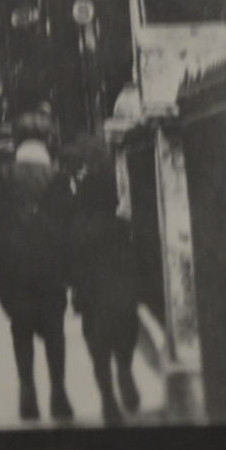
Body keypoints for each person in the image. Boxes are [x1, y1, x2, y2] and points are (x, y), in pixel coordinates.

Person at [0, 118, 73, 423]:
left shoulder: (5, 175)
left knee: (21, 327)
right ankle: (59, 393)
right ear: (46, 140)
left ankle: (28, 393)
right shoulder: (58, 176)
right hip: (51, 265)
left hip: (15, 265)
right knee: (54, 329)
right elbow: (69, 225)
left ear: (17, 140)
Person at [71, 149, 147, 424]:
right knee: (125, 341)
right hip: (121, 297)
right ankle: (125, 369)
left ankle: (108, 400)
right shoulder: (122, 228)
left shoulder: (78, 232)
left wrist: (78, 297)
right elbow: (134, 262)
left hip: (94, 300)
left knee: (99, 353)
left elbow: (74, 270)